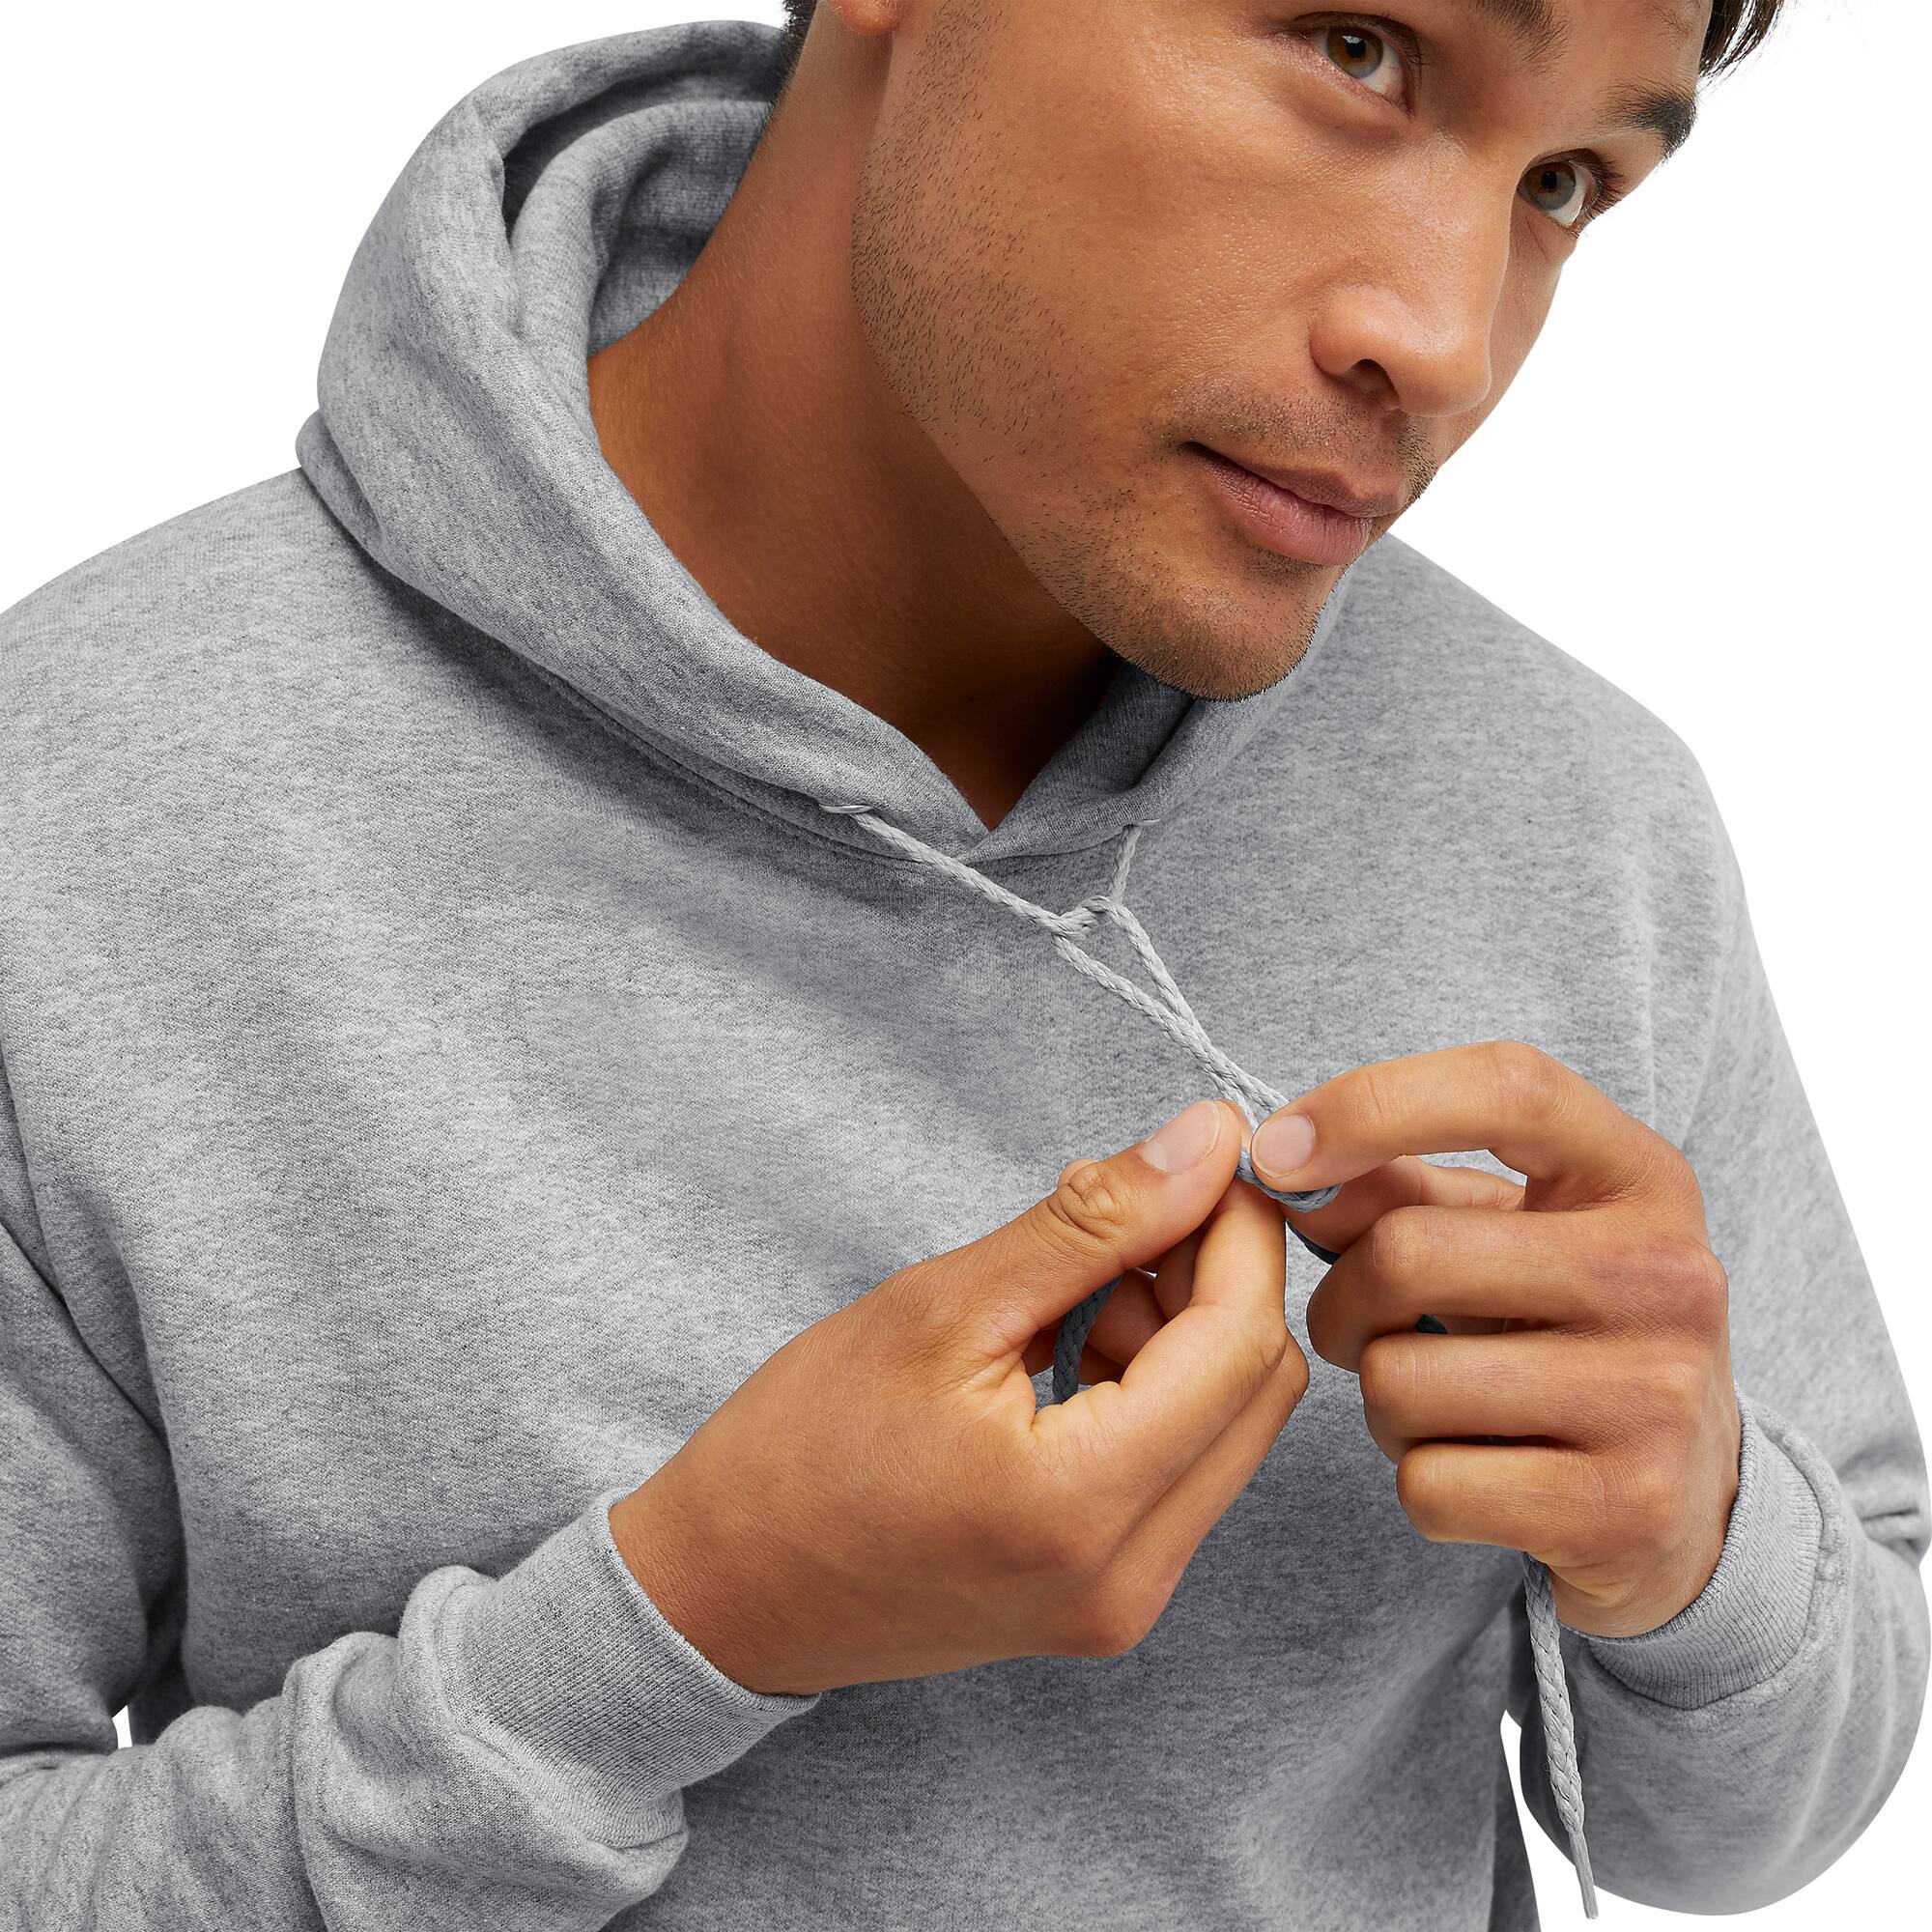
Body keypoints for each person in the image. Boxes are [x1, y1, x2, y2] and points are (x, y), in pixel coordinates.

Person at [1, 2, 1923, 1927]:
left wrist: (1696, 1546)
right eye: (1355, 48)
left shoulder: (1576, 809)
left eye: (1563, 180)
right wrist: (687, 1621)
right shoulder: (87, 809)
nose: (1442, 343)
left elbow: (1757, 1814)